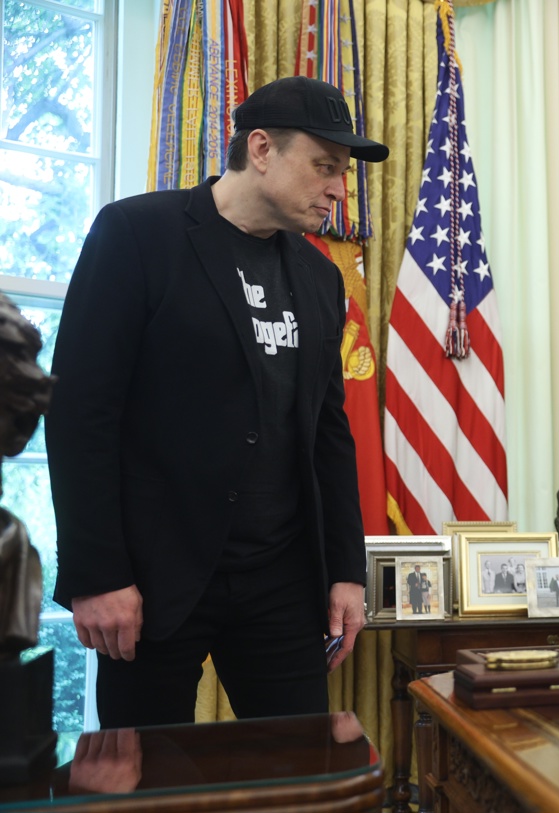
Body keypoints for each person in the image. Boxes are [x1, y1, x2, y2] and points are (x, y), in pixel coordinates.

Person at [45, 76, 390, 728]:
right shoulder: (136, 234)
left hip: (283, 585)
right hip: (149, 581)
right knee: (146, 786)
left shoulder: (321, 277)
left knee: (297, 779)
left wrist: (346, 571)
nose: (340, 189)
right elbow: (80, 412)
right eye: (325, 167)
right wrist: (96, 572)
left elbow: (327, 431)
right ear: (261, 148)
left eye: (342, 173)